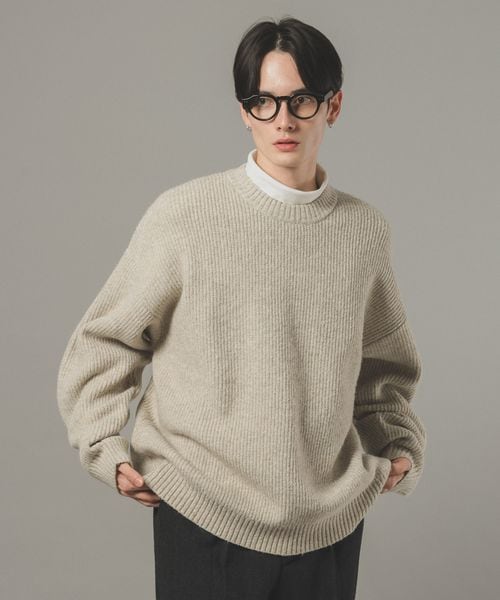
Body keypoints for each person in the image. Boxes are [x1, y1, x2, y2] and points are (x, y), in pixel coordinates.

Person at [57, 15, 426, 600]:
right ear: (244, 112)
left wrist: (397, 444)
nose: (283, 119)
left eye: (302, 100)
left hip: (329, 521)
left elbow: (384, 367)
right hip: (201, 511)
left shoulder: (364, 232)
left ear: (333, 106)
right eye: (263, 102)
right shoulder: (185, 216)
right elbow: (107, 338)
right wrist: (102, 445)